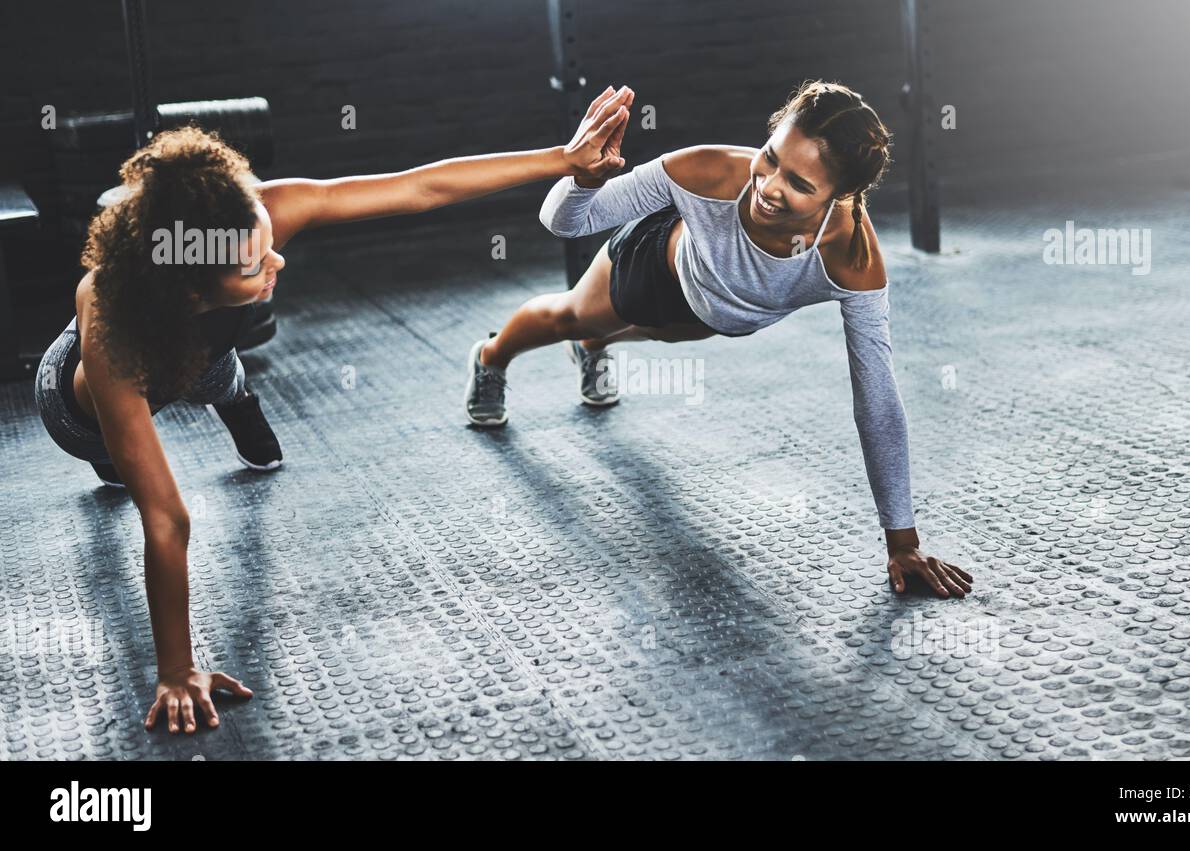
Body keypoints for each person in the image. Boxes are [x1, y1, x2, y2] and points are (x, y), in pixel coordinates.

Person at [34, 85, 635, 734]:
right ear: (185, 281)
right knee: (119, 459)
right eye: (253, 265)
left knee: (217, 371)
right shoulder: (114, 323)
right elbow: (167, 520)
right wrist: (178, 672)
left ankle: (234, 394)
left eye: (268, 243)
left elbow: (416, 188)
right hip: (82, 410)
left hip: (200, 348)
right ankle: (127, 446)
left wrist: (562, 159)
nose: (277, 261)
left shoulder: (244, 219)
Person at [465, 80, 971, 600]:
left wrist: (902, 541)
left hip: (710, 317)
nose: (770, 186)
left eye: (799, 183)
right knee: (572, 317)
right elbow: (565, 222)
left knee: (660, 339)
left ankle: (596, 349)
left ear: (840, 196)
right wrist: (582, 175)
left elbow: (878, 399)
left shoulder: (850, 260)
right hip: (652, 274)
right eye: (771, 158)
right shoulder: (706, 170)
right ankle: (492, 355)